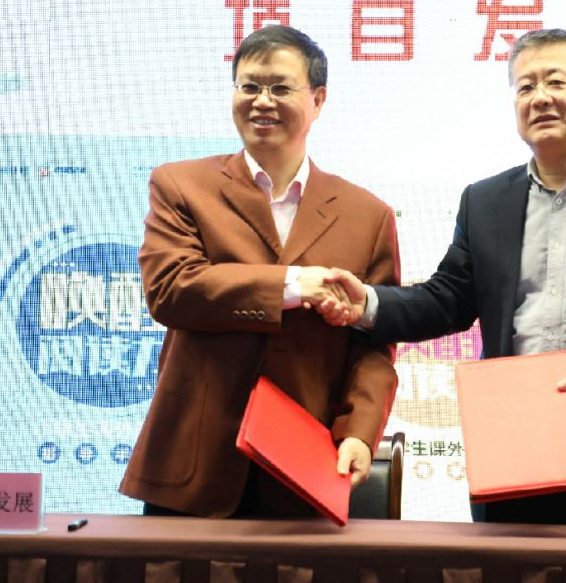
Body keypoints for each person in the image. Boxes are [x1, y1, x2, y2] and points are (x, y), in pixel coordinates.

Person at [316, 28, 566, 526]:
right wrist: (368, 305)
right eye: (525, 86)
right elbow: (448, 299)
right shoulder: (485, 201)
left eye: (556, 81)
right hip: (515, 450)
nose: (540, 97)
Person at [119, 25, 400, 518]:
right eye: (249, 86)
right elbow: (171, 288)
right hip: (193, 466)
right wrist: (293, 284)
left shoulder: (368, 215)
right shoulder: (182, 185)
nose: (262, 101)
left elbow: (374, 345)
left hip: (305, 465)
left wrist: (359, 431)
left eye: (280, 88)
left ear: (318, 99)